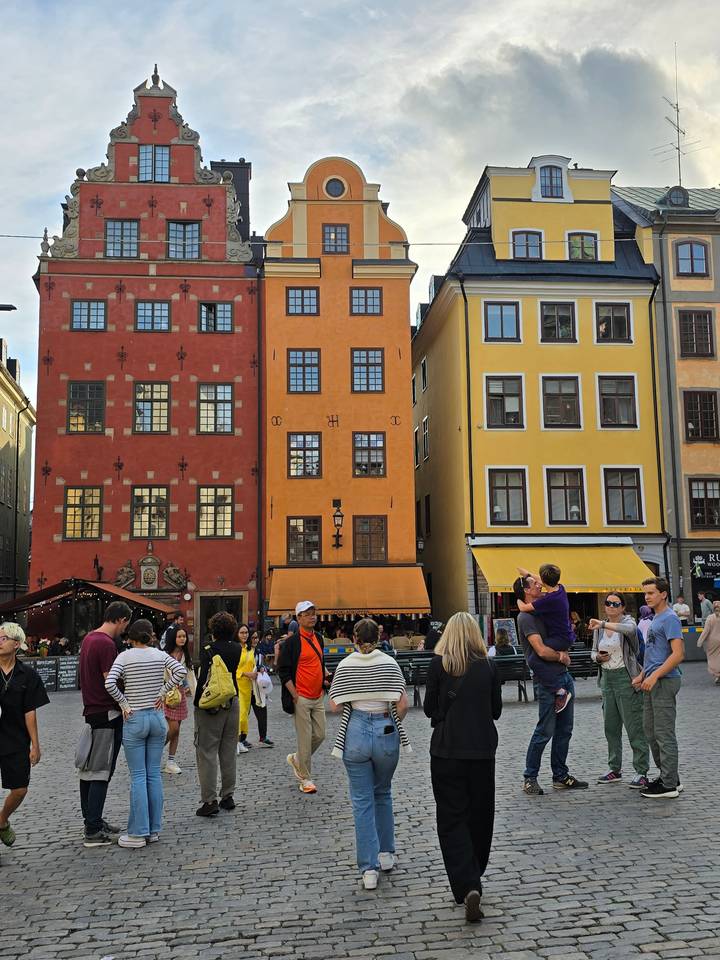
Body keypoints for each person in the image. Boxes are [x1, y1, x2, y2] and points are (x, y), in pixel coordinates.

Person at [423, 612, 502, 924]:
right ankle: (475, 873)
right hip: (482, 751)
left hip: (446, 751)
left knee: (451, 817)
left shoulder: (438, 664)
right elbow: (495, 711)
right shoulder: (489, 666)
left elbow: (430, 708)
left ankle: (467, 882)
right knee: (480, 816)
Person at [329, 618, 409, 890]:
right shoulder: (389, 663)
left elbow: (335, 705)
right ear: (380, 636)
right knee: (383, 792)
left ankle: (368, 869)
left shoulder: (345, 665)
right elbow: (402, 703)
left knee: (362, 801)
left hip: (356, 730)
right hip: (385, 726)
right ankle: (386, 853)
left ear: (354, 637)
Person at [105, 619, 186, 848]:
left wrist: (124, 703)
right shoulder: (159, 655)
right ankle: (153, 829)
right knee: (153, 775)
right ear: (151, 636)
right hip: (157, 718)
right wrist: (162, 692)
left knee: (138, 776)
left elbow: (110, 683)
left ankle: (138, 833)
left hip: (135, 717)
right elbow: (180, 671)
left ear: (131, 637)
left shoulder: (124, 657)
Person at [514, 574, 588, 796]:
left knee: (565, 729)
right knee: (544, 731)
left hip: (563, 677)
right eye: (534, 584)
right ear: (526, 591)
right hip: (547, 680)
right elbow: (540, 650)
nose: (539, 585)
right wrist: (561, 656)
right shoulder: (525, 618)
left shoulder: (540, 608)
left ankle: (560, 775)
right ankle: (530, 777)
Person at [78, 600, 132, 847]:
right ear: (121, 620)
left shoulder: (89, 638)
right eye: (125, 624)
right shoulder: (106, 643)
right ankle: (92, 830)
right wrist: (125, 700)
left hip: (91, 710)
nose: (124, 629)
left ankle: (93, 819)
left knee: (89, 770)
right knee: (100, 772)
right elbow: (109, 681)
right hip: (106, 712)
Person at [588, 594, 649, 789]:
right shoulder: (601, 626)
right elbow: (592, 651)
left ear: (623, 607)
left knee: (634, 727)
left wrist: (603, 625)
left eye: (615, 604)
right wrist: (598, 657)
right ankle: (614, 768)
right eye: (608, 603)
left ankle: (641, 771)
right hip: (607, 678)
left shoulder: (628, 623)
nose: (611, 607)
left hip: (625, 677)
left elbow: (630, 630)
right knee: (611, 727)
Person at [0, 622, 49, 862]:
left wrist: (35, 745)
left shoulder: (28, 675)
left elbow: (30, 711)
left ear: (16, 644)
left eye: (4, 638)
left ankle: (1, 820)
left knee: (19, 789)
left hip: (15, 739)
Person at [632, 577, 684, 799]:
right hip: (652, 680)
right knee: (651, 732)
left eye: (651, 593)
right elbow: (655, 653)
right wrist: (643, 674)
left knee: (663, 734)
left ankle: (669, 785)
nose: (647, 597)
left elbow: (678, 655)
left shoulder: (670, 618)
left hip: (664, 681)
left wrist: (655, 677)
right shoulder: (656, 618)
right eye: (645, 593)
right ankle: (669, 777)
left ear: (663, 594)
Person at [278, 600, 330, 795]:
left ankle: (297, 759)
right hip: (301, 697)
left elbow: (319, 661)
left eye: (314, 613)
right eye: (307, 614)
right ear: (298, 618)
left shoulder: (319, 637)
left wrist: (325, 677)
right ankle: (306, 778)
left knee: (321, 734)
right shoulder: (291, 642)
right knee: (305, 739)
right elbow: (283, 671)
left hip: (318, 695)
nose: (312, 616)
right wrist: (295, 695)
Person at [193, 611, 241, 817]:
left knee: (207, 752)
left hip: (212, 704)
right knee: (228, 750)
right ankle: (228, 796)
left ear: (213, 630)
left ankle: (209, 800)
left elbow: (204, 678)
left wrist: (197, 703)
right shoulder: (237, 648)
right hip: (232, 699)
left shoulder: (208, 649)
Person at [516, 563, 574, 713]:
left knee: (534, 658)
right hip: (565, 636)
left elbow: (523, 608)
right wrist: (527, 574)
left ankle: (559, 691)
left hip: (560, 638)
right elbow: (541, 580)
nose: (538, 583)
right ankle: (559, 689)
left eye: (538, 581)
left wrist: (518, 600)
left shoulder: (547, 600)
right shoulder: (561, 589)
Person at [163, 626, 195, 774]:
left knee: (177, 731)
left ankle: (170, 760)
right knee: (173, 728)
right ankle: (155, 749)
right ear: (173, 638)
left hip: (180, 695)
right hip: (166, 694)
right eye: (179, 636)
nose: (182, 639)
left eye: (184, 636)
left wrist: (194, 693)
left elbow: (190, 676)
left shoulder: (185, 655)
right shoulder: (164, 655)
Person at [235, 624, 255, 754]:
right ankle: (235, 741)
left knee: (245, 715)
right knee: (239, 715)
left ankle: (241, 740)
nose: (244, 635)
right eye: (242, 632)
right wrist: (245, 673)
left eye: (246, 632)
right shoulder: (235, 649)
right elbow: (233, 667)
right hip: (237, 684)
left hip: (248, 686)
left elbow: (252, 665)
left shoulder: (249, 649)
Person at [697, 600, 720, 683]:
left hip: (712, 642)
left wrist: (700, 642)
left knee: (713, 658)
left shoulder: (710, 618)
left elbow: (706, 631)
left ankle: (718, 674)